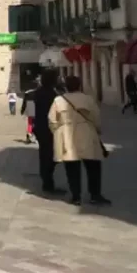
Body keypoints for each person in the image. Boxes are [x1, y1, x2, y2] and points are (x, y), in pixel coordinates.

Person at [48, 76, 111, 206]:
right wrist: (97, 131)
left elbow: (52, 120)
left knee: (72, 168)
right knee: (93, 166)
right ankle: (95, 194)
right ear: (79, 86)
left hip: (67, 135)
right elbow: (96, 117)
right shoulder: (87, 99)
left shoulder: (58, 100)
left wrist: (58, 132)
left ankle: (76, 196)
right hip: (87, 134)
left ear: (66, 86)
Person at [31, 70, 64, 195]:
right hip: (49, 128)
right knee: (50, 156)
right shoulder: (51, 94)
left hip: (40, 127)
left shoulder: (39, 92)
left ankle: (47, 180)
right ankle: (47, 182)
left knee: (45, 155)